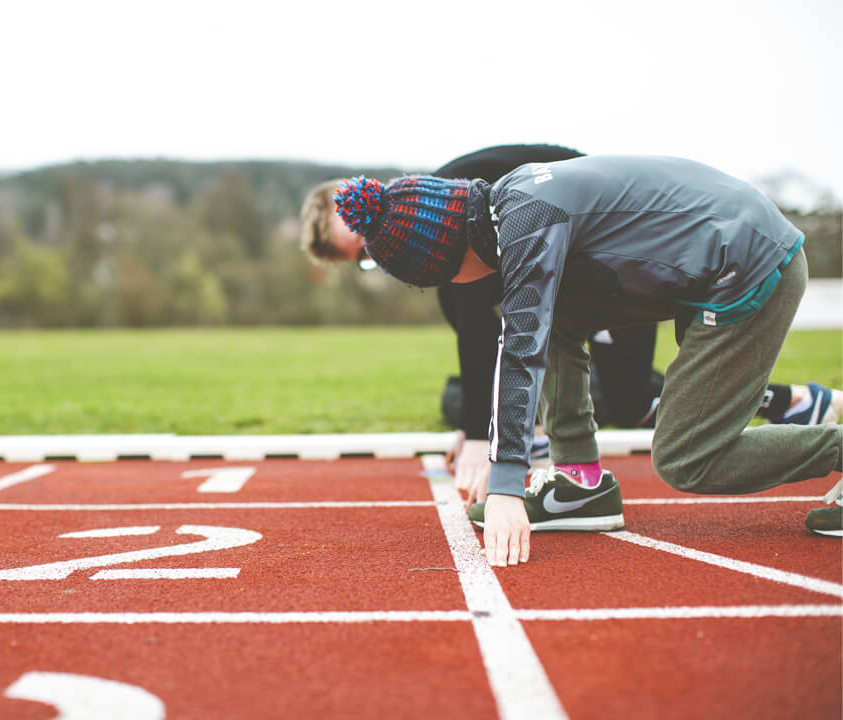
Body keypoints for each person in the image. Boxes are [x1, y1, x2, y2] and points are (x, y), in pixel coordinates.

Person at [332, 154, 843, 565]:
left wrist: (507, 485)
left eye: (433, 280)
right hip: (715, 256)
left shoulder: (528, 221)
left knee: (689, 456)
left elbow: (521, 349)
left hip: (751, 266)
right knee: (548, 316)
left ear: (446, 258)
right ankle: (580, 484)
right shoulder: (512, 201)